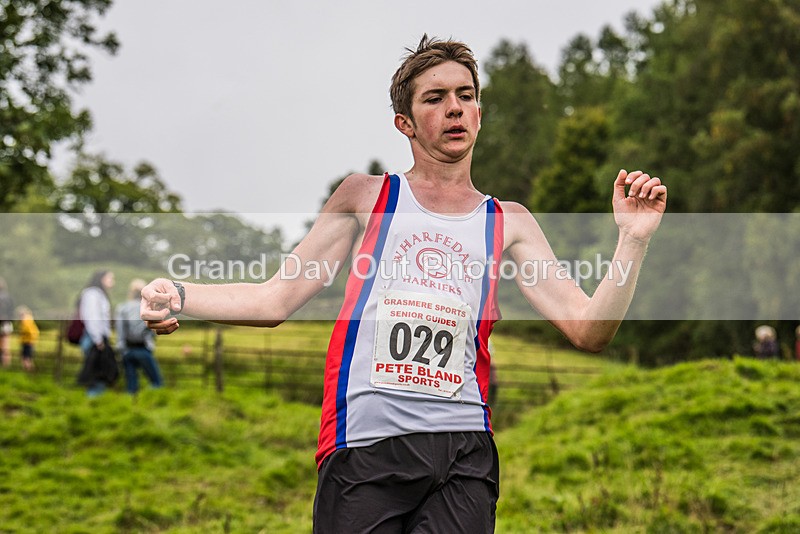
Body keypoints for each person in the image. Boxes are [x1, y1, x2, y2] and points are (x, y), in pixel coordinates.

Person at [140, 36, 667, 533]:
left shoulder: (510, 221)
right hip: (364, 445)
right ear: (405, 123)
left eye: (466, 96)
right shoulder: (365, 198)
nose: (455, 108)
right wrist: (182, 295)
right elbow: (275, 297)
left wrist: (632, 239)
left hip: (464, 451)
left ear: (480, 114)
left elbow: (589, 330)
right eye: (435, 98)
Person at [115, 279, 163, 395]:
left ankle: (130, 407)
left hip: (128, 350)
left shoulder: (122, 308)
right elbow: (152, 329)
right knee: (156, 382)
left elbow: (120, 330)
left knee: (131, 384)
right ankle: (156, 403)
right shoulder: (148, 308)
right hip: (143, 349)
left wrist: (122, 349)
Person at [77, 270, 116, 396]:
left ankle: (95, 402)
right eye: (110, 278)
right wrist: (98, 339)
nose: (112, 281)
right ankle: (94, 401)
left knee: (98, 370)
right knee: (96, 371)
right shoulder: (93, 294)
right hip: (93, 337)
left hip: (96, 336)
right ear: (101, 279)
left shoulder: (97, 294)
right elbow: (92, 317)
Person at [16, 305, 39, 372]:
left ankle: (28, 371)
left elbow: (30, 332)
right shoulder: (29, 320)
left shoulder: (26, 321)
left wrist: (29, 339)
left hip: (27, 342)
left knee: (25, 358)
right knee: (28, 358)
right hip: (28, 342)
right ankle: (30, 372)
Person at [0, 276, 15, 368]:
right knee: (6, 345)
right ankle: (6, 365)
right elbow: (11, 312)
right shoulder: (9, 297)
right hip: (7, 323)